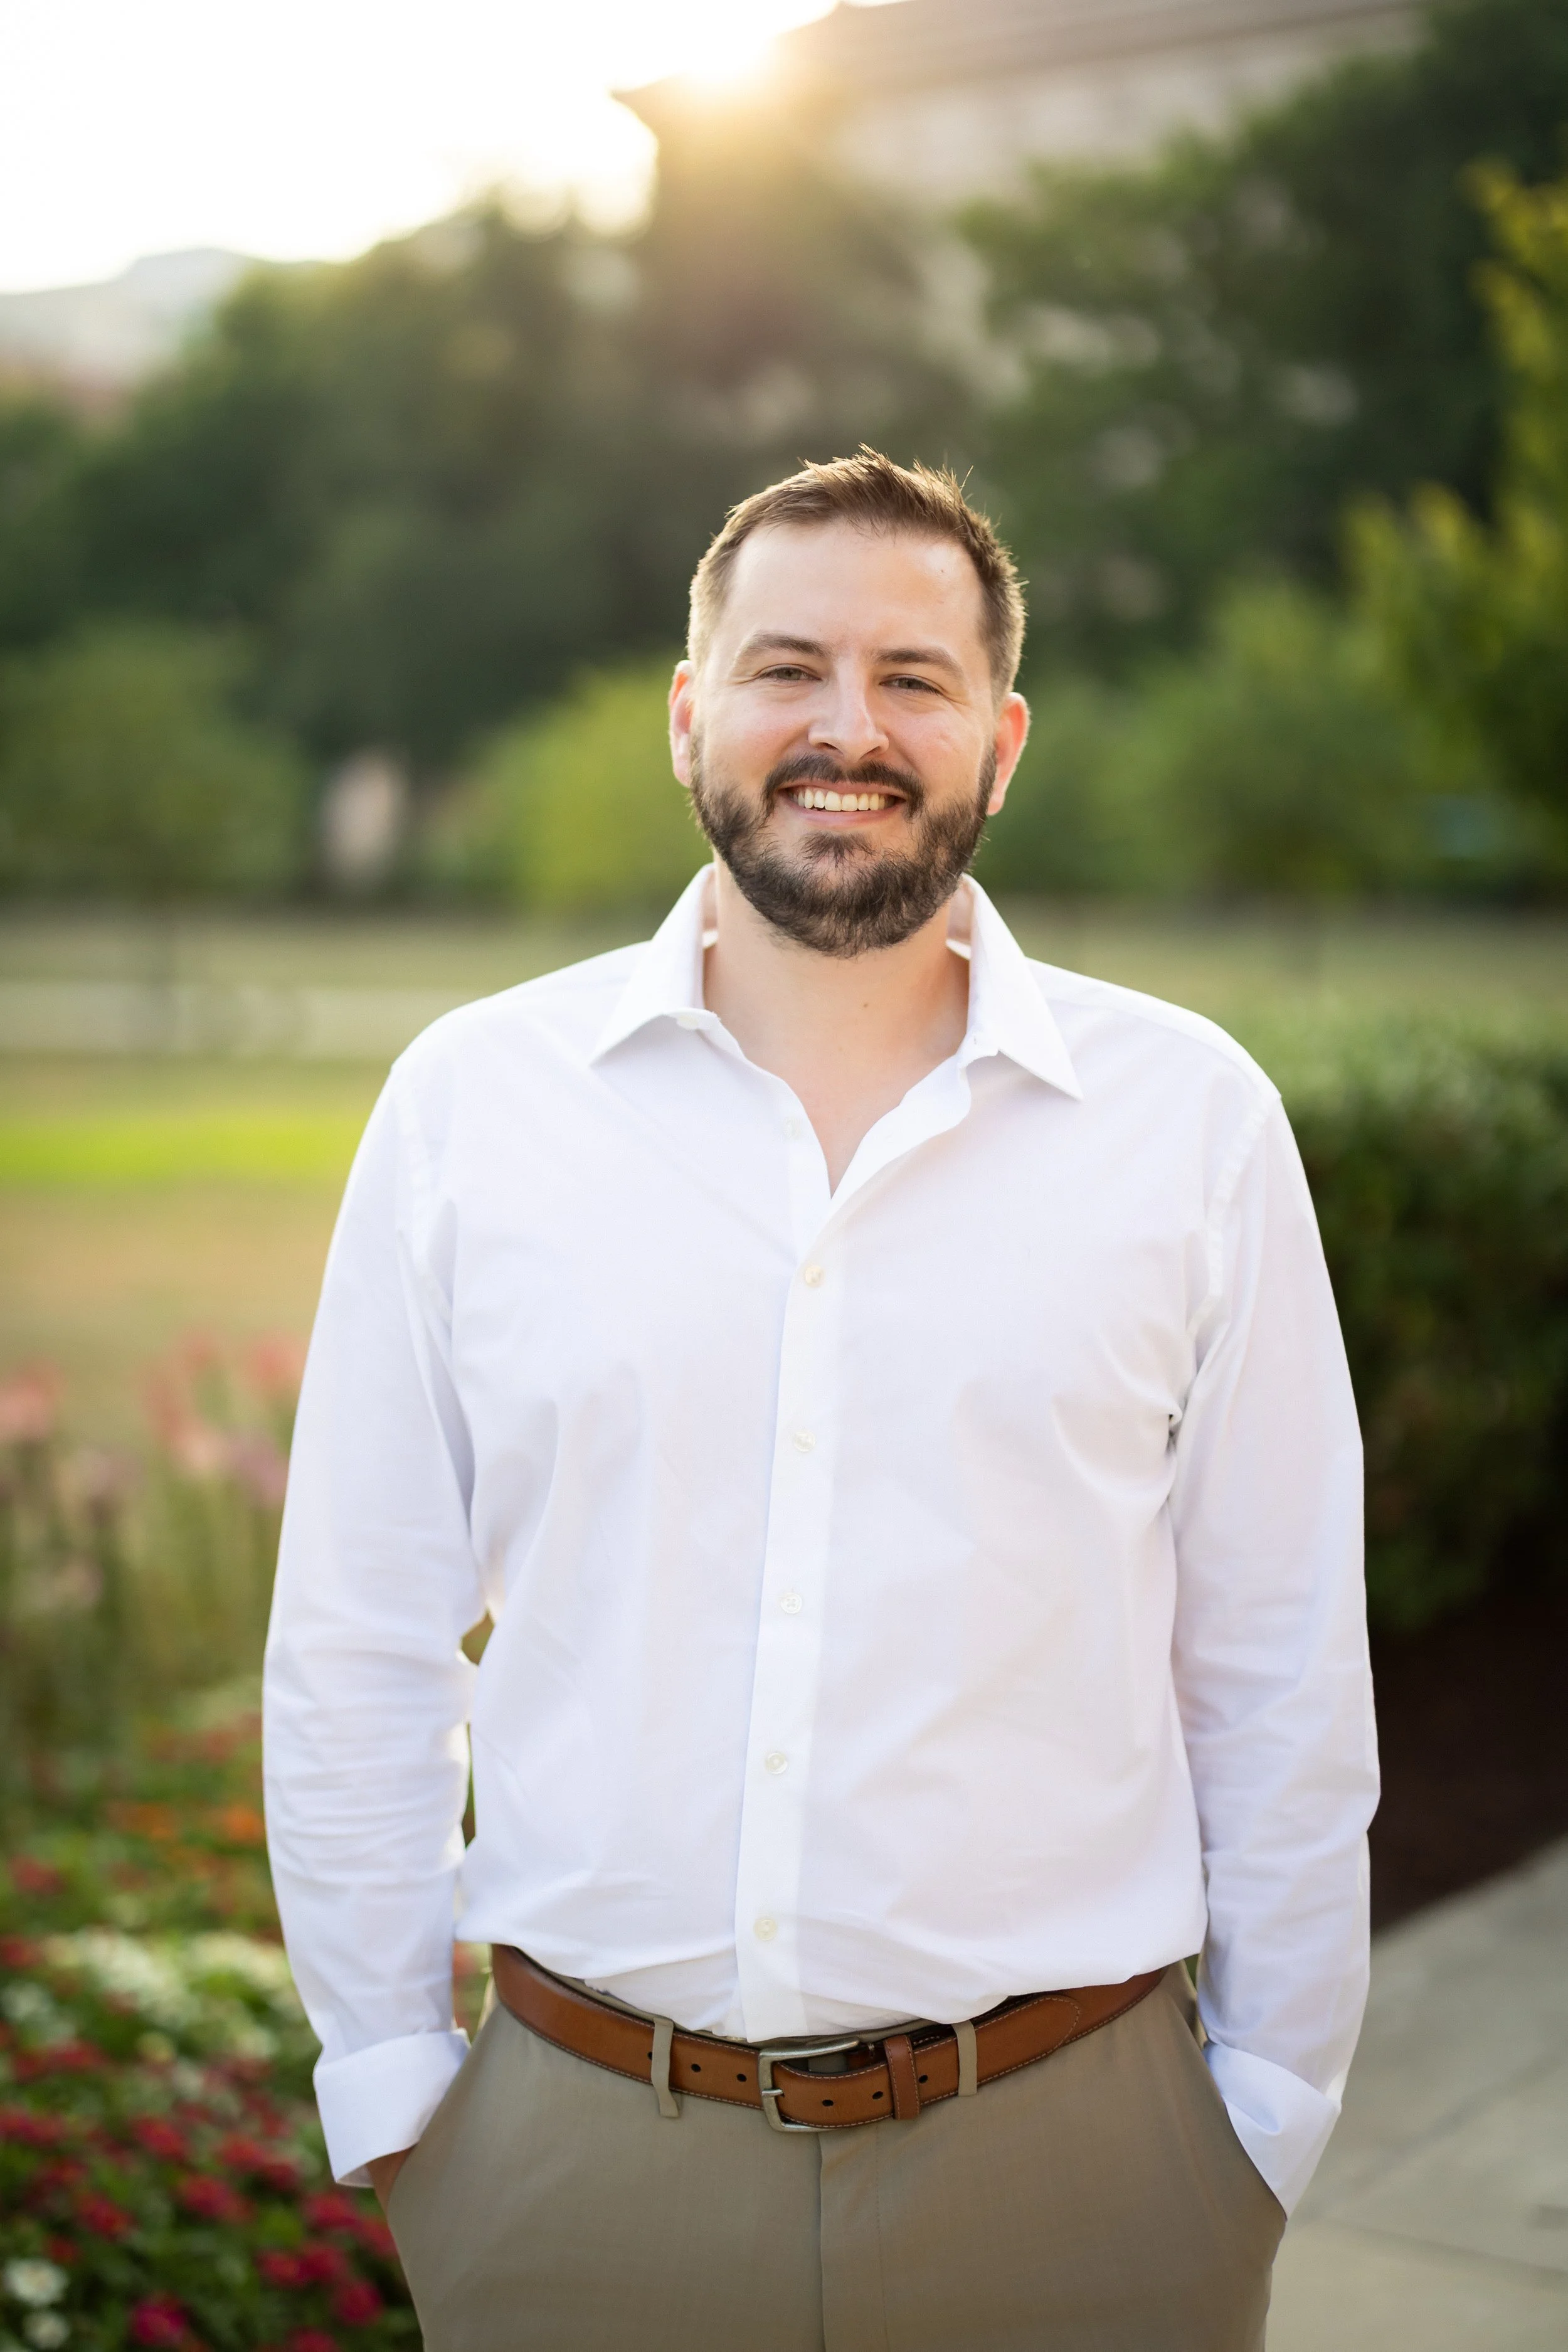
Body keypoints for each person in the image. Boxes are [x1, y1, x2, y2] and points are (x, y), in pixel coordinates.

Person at [263, 450, 1377, 2351]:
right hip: (573, 2165)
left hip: (1083, 2171)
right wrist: (388, 2075)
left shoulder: (1191, 1123)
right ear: (689, 710)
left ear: (1000, 739)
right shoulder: (474, 1103)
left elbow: (1273, 1658)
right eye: (786, 667)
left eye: (913, 678)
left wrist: (1258, 2115)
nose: (844, 728)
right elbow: (362, 1631)